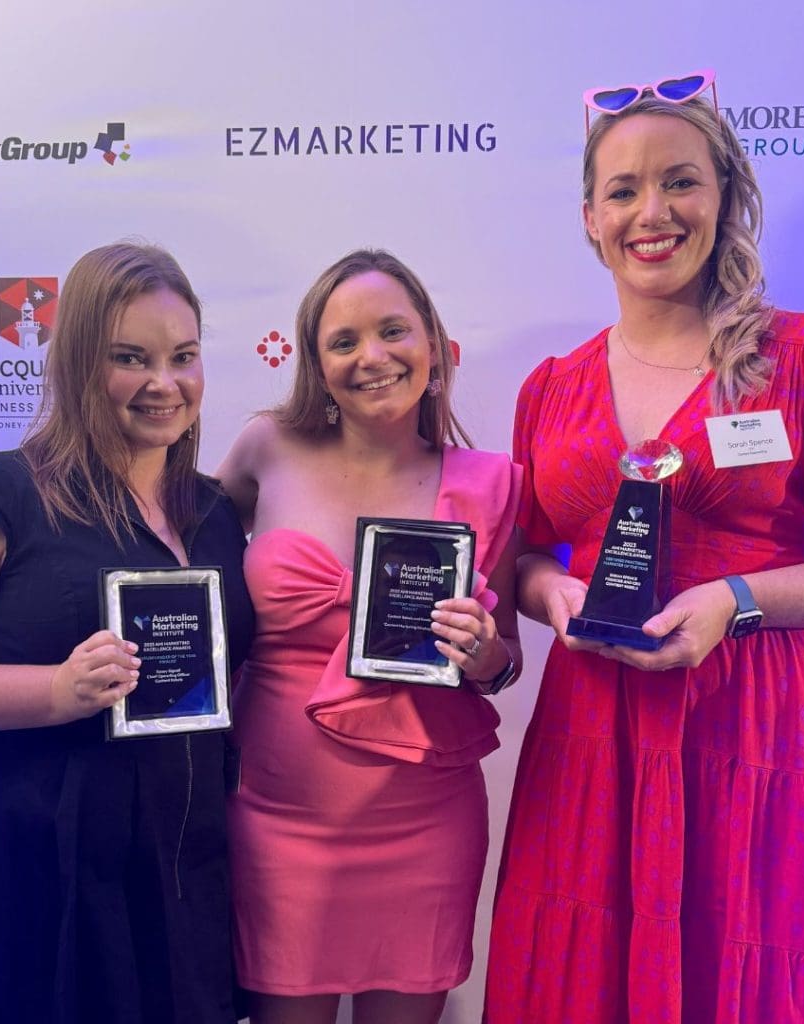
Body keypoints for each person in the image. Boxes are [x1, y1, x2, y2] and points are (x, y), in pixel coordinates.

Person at [485, 72, 804, 1024]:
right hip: (598, 724)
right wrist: (556, 601)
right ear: (589, 218)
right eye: (622, 190)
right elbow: (528, 558)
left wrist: (737, 601)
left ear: (726, 197)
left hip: (770, 720)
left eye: (680, 181)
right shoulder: (551, 387)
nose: (652, 212)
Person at [0, 242, 255, 1023]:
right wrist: (53, 690)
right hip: (31, 860)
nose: (164, 383)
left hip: (183, 861)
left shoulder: (215, 511)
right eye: (130, 357)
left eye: (182, 356)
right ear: (78, 360)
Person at [216, 249, 523, 1024]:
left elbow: (504, 661)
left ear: (432, 345)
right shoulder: (265, 449)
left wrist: (482, 651)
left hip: (423, 822)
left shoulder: (494, 481)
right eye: (344, 341)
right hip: (275, 822)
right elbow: (181, 559)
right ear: (316, 366)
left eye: (393, 331)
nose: (372, 357)